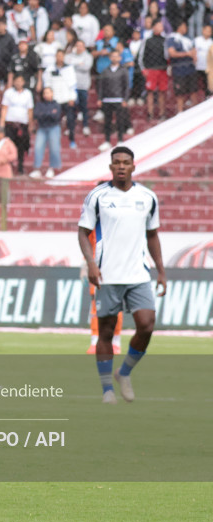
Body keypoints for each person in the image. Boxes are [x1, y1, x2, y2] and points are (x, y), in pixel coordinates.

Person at [78, 146, 166, 404]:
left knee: (147, 325)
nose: (121, 166)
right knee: (105, 333)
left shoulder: (148, 197)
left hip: (138, 274)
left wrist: (161, 271)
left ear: (133, 166)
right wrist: (91, 264)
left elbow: (153, 235)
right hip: (107, 276)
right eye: (116, 162)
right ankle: (107, 391)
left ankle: (124, 372)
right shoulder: (97, 196)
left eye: (125, 162)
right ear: (110, 167)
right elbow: (83, 232)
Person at [83, 228, 123, 356]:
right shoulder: (94, 223)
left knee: (117, 304)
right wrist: (86, 265)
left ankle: (116, 341)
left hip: (117, 266)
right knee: (96, 304)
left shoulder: (119, 220)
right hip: (97, 267)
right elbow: (87, 243)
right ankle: (95, 341)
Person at [42, 49, 78, 147]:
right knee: (53, 121)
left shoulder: (69, 69)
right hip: (55, 100)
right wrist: (48, 95)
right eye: (58, 56)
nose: (60, 58)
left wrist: (72, 98)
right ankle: (52, 141)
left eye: (61, 56)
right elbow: (47, 83)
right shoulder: (50, 69)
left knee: (70, 120)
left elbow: (73, 84)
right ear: (55, 57)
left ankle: (72, 140)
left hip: (67, 98)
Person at [0, 73, 34, 174]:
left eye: (20, 81)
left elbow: (30, 110)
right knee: (9, 145)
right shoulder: (8, 92)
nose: (18, 83)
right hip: (10, 124)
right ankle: (8, 166)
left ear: (23, 82)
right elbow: (4, 108)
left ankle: (20, 166)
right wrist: (2, 122)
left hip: (23, 124)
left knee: (21, 146)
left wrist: (30, 124)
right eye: (17, 81)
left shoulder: (28, 93)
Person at [96, 50, 129, 151]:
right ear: (110, 58)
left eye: (116, 56)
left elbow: (126, 86)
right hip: (107, 100)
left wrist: (125, 99)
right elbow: (101, 86)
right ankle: (107, 141)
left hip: (119, 99)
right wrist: (100, 98)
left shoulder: (123, 71)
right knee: (107, 122)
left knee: (120, 121)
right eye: (112, 56)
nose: (114, 58)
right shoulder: (105, 71)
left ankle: (120, 141)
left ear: (120, 58)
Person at [30, 87, 62, 178]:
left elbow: (56, 116)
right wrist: (49, 113)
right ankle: (37, 169)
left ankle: (52, 168)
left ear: (52, 93)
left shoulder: (56, 105)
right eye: (45, 93)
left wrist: (44, 114)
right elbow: (36, 115)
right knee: (38, 147)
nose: (47, 95)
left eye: (48, 92)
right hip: (42, 128)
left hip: (53, 128)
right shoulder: (39, 104)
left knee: (54, 148)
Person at [167, 21, 197, 113]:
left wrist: (194, 56)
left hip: (191, 69)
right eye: (184, 26)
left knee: (193, 91)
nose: (185, 28)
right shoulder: (172, 38)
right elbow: (172, 53)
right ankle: (180, 112)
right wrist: (186, 54)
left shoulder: (189, 38)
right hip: (179, 70)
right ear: (179, 27)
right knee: (180, 93)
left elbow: (194, 51)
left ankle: (195, 112)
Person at [141, 20, 168, 120]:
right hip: (151, 69)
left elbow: (167, 56)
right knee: (150, 92)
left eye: (162, 26)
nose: (160, 27)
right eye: (158, 25)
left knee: (162, 92)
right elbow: (142, 56)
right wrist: (144, 69)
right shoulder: (147, 41)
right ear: (153, 27)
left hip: (162, 70)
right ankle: (150, 113)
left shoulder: (165, 41)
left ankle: (162, 114)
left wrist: (168, 67)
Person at [67, 39, 93, 135]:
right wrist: (79, 63)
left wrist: (74, 64)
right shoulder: (70, 56)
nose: (79, 47)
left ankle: (85, 126)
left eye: (81, 45)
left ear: (84, 47)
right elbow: (67, 65)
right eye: (77, 45)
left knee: (84, 107)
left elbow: (86, 67)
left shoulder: (88, 56)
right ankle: (71, 127)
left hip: (83, 86)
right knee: (72, 108)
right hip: (72, 86)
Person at [193, 24, 213, 100]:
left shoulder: (211, 42)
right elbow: (193, 52)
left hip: (208, 68)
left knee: (207, 85)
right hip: (197, 67)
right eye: (206, 30)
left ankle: (207, 99)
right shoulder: (197, 40)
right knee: (195, 86)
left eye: (210, 31)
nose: (208, 32)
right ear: (203, 30)